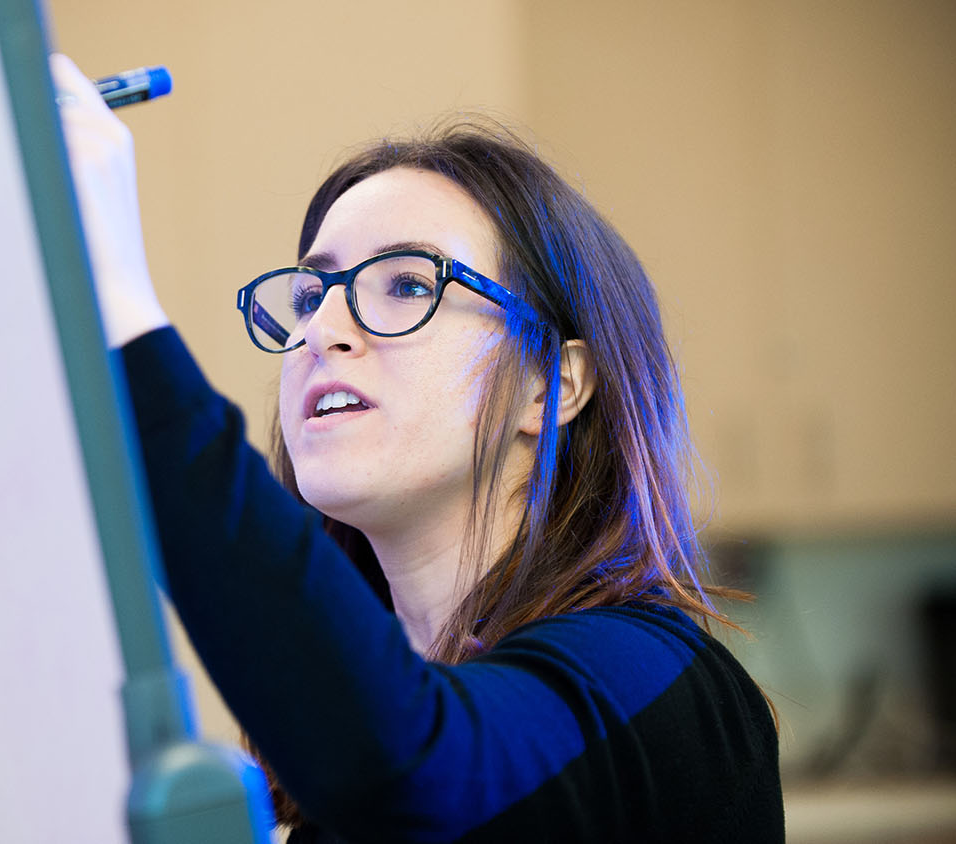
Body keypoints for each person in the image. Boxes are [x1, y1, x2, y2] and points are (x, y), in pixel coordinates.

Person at [51, 54, 783, 842]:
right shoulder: (347, 769)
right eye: (308, 296)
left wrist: (112, 304)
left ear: (554, 385)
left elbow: (412, 771)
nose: (320, 330)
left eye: (405, 284)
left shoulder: (649, 678)